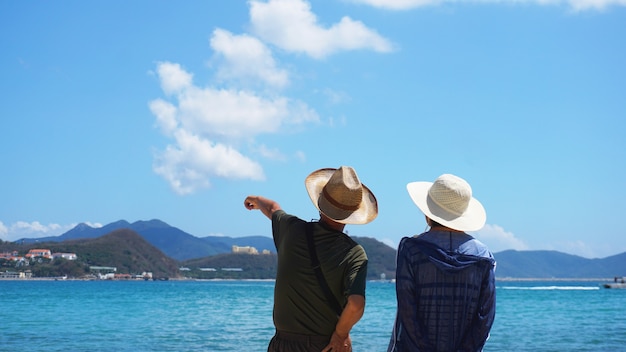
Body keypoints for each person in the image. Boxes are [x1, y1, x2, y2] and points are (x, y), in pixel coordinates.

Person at [244, 166, 378, 352]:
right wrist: (340, 334)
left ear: (321, 202)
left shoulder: (291, 230)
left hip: (283, 344)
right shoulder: (354, 253)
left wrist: (254, 200)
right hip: (324, 346)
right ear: (351, 214)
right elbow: (355, 304)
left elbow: (273, 208)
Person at [388, 174, 496, 352]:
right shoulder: (483, 256)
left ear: (427, 213)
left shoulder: (411, 249)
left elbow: (407, 311)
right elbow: (485, 317)